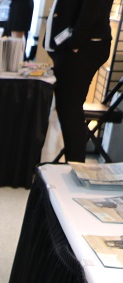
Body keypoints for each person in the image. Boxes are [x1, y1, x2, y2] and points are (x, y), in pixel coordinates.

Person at [10, 0, 113, 163]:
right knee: (68, 109)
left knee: (70, 109)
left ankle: (75, 166)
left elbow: (92, 9)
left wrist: (74, 42)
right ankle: (73, 165)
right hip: (73, 46)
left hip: (83, 47)